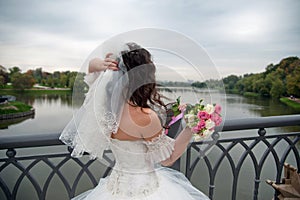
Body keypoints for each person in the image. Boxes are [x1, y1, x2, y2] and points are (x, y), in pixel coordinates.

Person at [60, 42, 210, 200]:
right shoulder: (145, 117)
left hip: (114, 188)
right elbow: (168, 159)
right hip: (146, 190)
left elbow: (91, 69)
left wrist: (101, 64)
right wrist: (191, 127)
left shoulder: (104, 106)